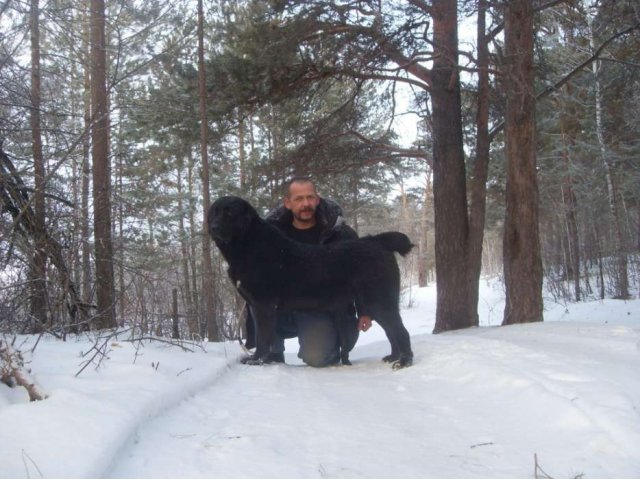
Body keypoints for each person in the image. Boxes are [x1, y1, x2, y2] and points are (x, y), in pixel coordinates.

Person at [243, 176, 372, 367]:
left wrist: (365, 310)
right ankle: (271, 352)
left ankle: (330, 346)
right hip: (283, 309)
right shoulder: (271, 234)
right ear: (288, 203)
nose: (306, 204)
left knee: (318, 358)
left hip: (321, 309)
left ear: (317, 199)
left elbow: (360, 273)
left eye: (310, 197)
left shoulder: (340, 234)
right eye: (299, 199)